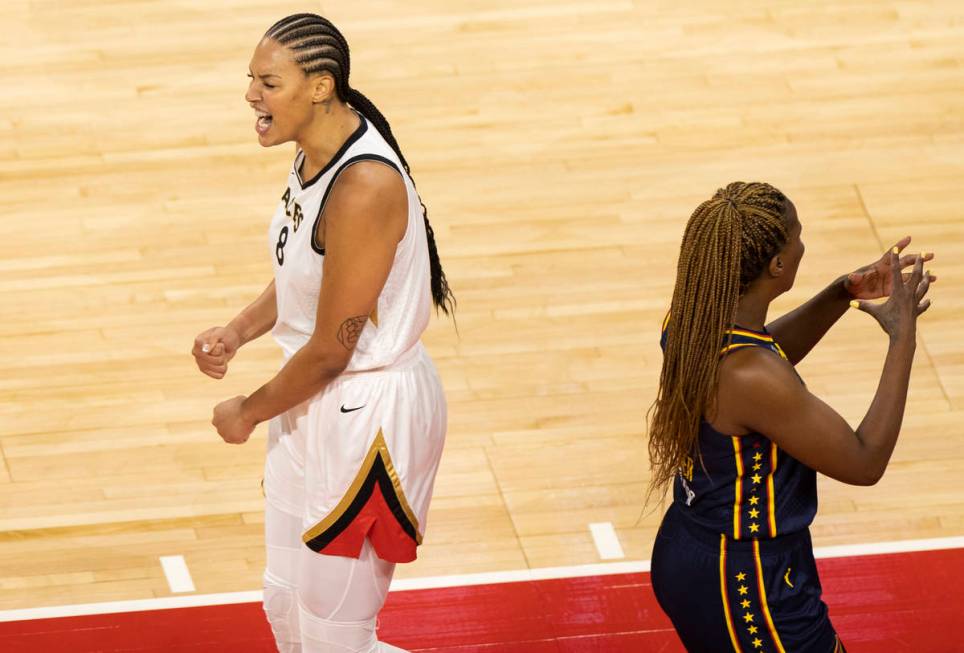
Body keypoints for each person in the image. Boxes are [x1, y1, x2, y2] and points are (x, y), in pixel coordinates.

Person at [190, 13, 454, 653]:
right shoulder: (317, 154)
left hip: (366, 412)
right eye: (251, 79)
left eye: (268, 82)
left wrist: (247, 411)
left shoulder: (364, 185)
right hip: (308, 397)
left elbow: (333, 349)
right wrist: (241, 328)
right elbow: (309, 275)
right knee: (284, 603)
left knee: (334, 635)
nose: (252, 95)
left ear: (320, 86)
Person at [647, 181, 935, 652]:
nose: (804, 243)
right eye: (797, 235)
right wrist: (902, 339)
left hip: (693, 546)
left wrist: (842, 293)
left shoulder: (692, 320)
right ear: (777, 265)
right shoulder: (752, 378)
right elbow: (864, 463)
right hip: (748, 582)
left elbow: (766, 357)